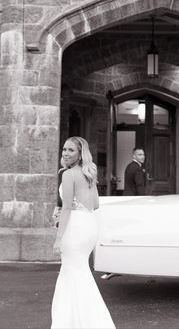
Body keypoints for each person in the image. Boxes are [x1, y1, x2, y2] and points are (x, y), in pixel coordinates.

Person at [51, 136, 116, 329]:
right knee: (79, 272)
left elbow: (68, 208)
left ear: (80, 154)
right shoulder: (88, 173)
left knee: (72, 273)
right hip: (88, 225)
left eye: (71, 150)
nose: (65, 153)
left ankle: (72, 323)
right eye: (64, 149)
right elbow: (95, 204)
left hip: (75, 227)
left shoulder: (68, 174)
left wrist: (58, 237)